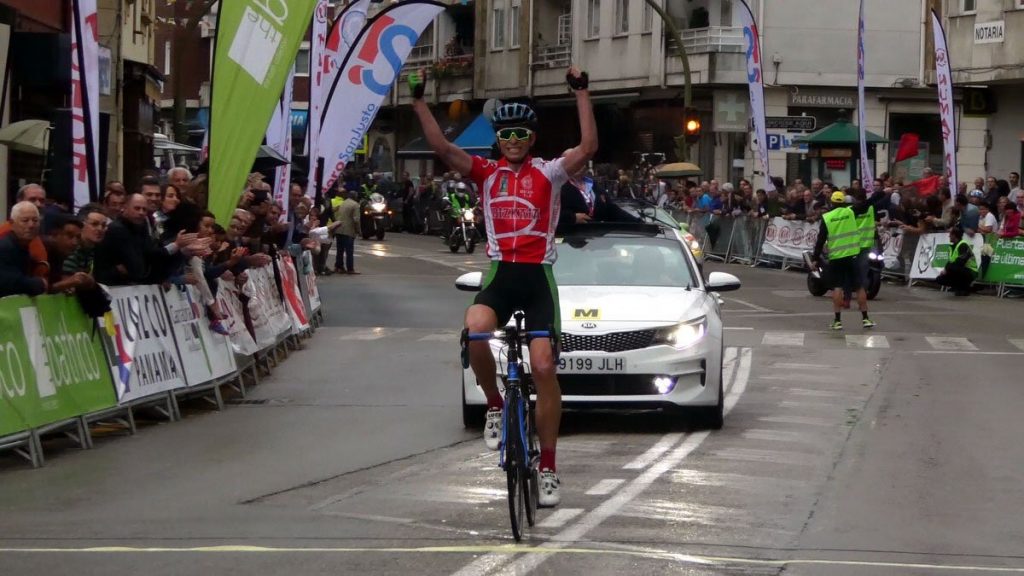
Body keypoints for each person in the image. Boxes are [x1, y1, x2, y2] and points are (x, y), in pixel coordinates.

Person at [411, 65, 597, 508]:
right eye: (505, 133)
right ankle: (495, 402)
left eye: (520, 133)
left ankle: (548, 466)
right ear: (498, 139)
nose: (513, 140)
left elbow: (588, 146)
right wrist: (419, 101)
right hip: (500, 273)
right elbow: (440, 146)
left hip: (537, 278)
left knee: (544, 367)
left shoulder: (550, 173)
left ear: (531, 138)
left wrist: (582, 93)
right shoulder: (486, 172)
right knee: (475, 326)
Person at [811, 192, 875, 330]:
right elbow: (867, 204)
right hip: (852, 255)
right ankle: (866, 319)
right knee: (859, 287)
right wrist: (883, 193)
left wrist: (815, 259)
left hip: (836, 257)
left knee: (838, 287)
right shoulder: (851, 211)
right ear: (844, 202)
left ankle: (837, 321)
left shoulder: (827, 218)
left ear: (831, 203)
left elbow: (820, 240)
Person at [0, 202, 48, 297]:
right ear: (12, 224)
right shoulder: (4, 248)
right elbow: (10, 283)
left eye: (35, 220)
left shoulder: (23, 246)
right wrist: (39, 283)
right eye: (25, 221)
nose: (31, 225)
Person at [936, 227, 977, 296]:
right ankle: (958, 287)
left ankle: (965, 287)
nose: (949, 236)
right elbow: (951, 262)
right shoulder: (952, 247)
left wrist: (947, 269)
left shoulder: (963, 245)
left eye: (950, 234)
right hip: (960, 270)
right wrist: (945, 270)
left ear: (954, 235)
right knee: (940, 279)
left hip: (971, 271)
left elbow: (961, 262)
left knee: (952, 268)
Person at [332, 189, 361, 274]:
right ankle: (350, 269)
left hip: (339, 228)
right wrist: (358, 230)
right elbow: (356, 220)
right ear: (355, 197)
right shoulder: (355, 205)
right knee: (349, 251)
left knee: (340, 250)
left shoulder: (343, 203)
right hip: (348, 230)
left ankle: (338, 266)